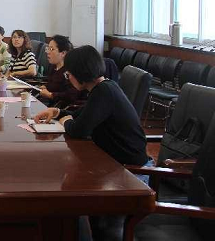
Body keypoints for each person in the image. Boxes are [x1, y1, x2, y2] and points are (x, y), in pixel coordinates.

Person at [34, 45, 151, 240]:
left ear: (80, 74)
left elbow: (78, 130)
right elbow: (81, 116)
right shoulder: (104, 87)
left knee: (69, 188)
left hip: (132, 173)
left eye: (69, 74)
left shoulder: (103, 92)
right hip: (116, 165)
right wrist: (58, 112)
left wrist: (66, 120)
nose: (68, 78)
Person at [37, 35, 79, 107]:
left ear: (63, 53)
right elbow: (53, 84)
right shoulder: (54, 66)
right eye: (47, 48)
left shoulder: (70, 71)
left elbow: (72, 95)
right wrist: (46, 87)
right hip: (49, 104)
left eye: (51, 49)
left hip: (60, 108)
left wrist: (51, 95)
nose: (47, 52)